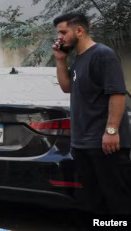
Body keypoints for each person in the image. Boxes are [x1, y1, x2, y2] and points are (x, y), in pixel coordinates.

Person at [52, 12, 131, 217]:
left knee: (117, 201)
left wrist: (111, 131)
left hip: (105, 144)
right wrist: (60, 60)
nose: (59, 37)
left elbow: (117, 94)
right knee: (93, 202)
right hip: (83, 144)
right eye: (58, 33)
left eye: (63, 32)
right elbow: (67, 87)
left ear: (79, 30)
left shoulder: (103, 55)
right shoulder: (79, 59)